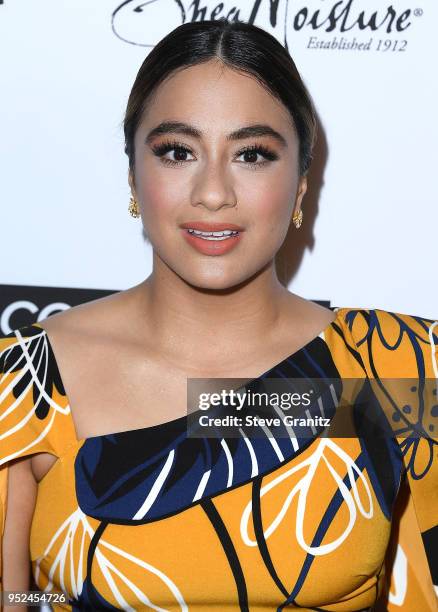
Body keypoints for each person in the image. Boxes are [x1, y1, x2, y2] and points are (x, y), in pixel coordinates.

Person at [0, 18, 436, 612]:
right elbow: (16, 597)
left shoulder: (397, 364)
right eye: (178, 151)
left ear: (302, 185)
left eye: (252, 154)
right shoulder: (25, 379)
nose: (212, 192)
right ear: (132, 173)